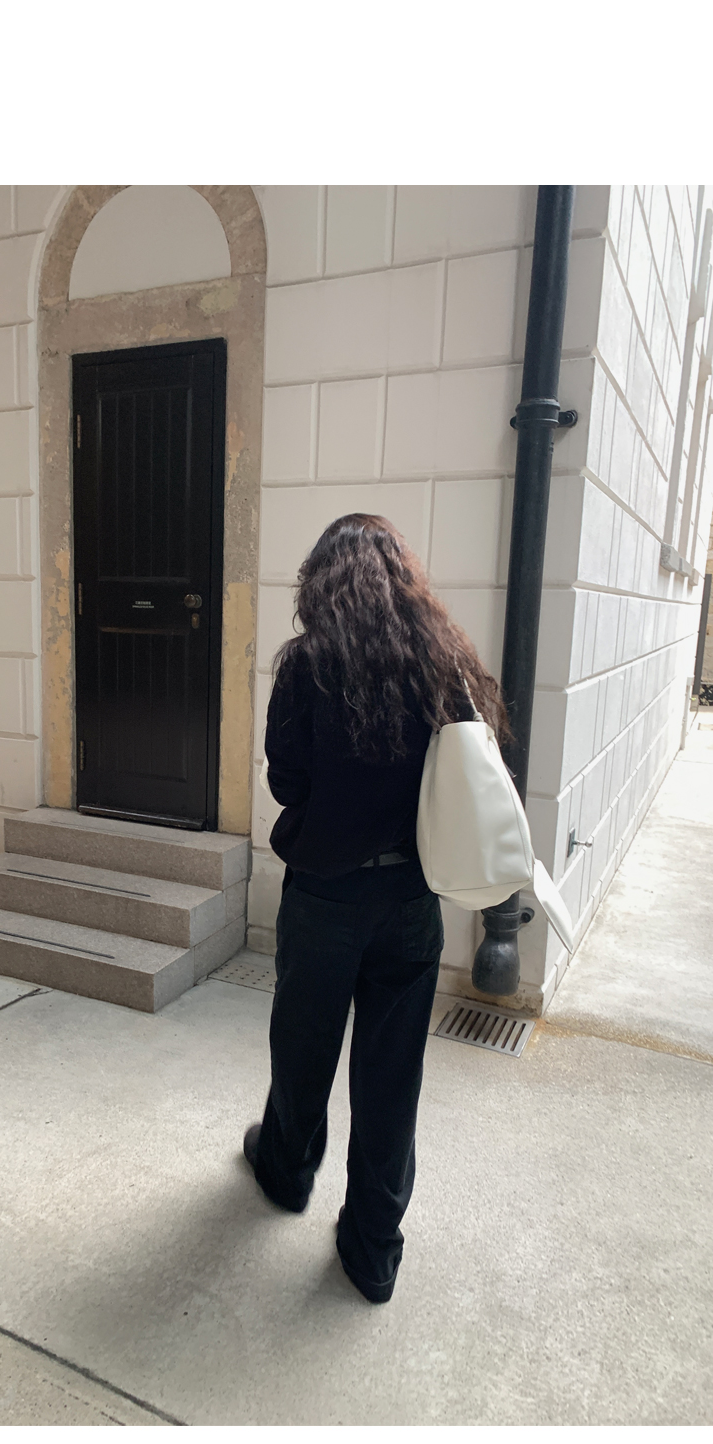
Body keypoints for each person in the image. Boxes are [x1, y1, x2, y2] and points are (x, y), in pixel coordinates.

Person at [243, 513, 509, 1304]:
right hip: (411, 902)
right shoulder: (441, 657)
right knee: (393, 1079)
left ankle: (287, 1170)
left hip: (326, 897)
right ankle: (373, 1251)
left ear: (323, 581)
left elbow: (285, 780)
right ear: (404, 579)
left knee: (302, 1049)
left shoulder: (307, 663)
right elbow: (472, 766)